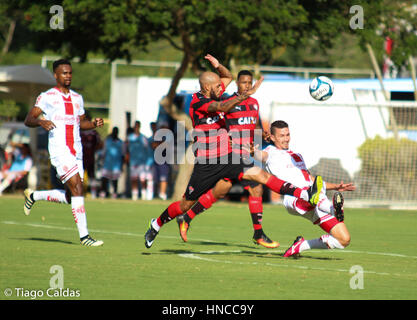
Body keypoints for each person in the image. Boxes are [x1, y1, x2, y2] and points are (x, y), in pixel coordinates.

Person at [144, 54, 324, 249]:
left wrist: (218, 66)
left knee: (261, 177)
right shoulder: (199, 102)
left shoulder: (215, 90)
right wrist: (246, 94)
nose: (222, 88)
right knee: (185, 204)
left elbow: (227, 77)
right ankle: (157, 224)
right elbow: (221, 106)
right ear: (206, 88)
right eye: (218, 87)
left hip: (230, 156)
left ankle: (304, 194)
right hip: (208, 162)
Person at [176, 70, 279, 248]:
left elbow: (253, 126)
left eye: (249, 82)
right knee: (256, 187)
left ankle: (186, 217)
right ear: (237, 84)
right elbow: (219, 121)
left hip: (243, 154)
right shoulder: (227, 101)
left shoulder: (254, 104)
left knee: (221, 191)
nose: (246, 85)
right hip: (229, 153)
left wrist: (263, 135)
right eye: (243, 82)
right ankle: (259, 233)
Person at [23, 58, 104, 247]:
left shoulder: (77, 98)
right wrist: (41, 121)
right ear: (56, 75)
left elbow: (80, 123)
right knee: (77, 188)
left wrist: (91, 124)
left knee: (71, 196)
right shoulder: (47, 96)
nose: (68, 76)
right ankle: (85, 237)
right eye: (64, 73)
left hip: (77, 150)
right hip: (60, 150)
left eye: (70, 73)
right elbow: (29, 118)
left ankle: (33, 196)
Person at [250, 120, 355, 257]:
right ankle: (332, 208)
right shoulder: (270, 152)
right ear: (273, 137)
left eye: (288, 134)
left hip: (314, 200)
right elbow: (259, 155)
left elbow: (310, 180)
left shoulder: (297, 156)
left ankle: (301, 246)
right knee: (312, 195)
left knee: (343, 240)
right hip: (294, 199)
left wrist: (335, 187)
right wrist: (253, 152)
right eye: (282, 136)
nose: (286, 138)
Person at [127, 121, 154, 200]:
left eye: (138, 126)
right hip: (133, 161)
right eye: (135, 126)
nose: (136, 128)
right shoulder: (130, 137)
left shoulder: (143, 138)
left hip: (142, 161)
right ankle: (134, 195)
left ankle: (143, 194)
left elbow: (147, 149)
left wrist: (148, 161)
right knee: (134, 179)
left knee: (142, 179)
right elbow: (127, 149)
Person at [80, 111, 103, 198]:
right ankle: (79, 193)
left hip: (90, 158)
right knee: (79, 177)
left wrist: (93, 150)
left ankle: (93, 194)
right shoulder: (79, 132)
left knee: (91, 176)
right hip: (80, 158)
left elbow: (100, 144)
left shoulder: (94, 134)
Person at [100, 126, 124, 198]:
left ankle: (114, 193)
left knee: (115, 180)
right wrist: (102, 161)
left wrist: (122, 165)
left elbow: (123, 154)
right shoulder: (107, 141)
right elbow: (104, 152)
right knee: (105, 178)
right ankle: (104, 192)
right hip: (107, 163)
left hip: (116, 164)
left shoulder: (120, 142)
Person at [150, 121, 171, 200]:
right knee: (157, 178)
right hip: (156, 160)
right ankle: (159, 193)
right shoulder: (157, 137)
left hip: (164, 161)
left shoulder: (168, 137)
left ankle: (163, 193)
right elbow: (153, 145)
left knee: (163, 178)